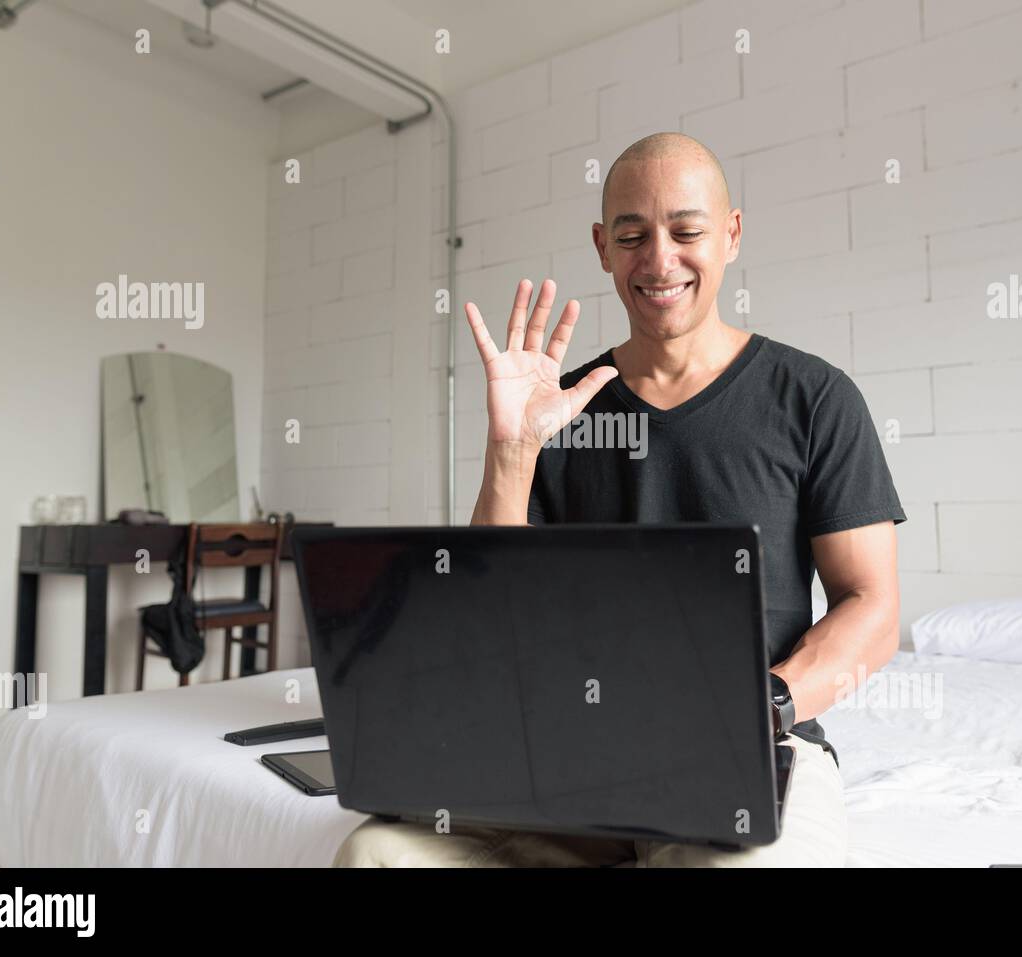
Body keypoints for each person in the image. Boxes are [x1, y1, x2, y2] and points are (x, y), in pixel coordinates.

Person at [334, 132, 906, 867]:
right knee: (378, 851)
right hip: (574, 751)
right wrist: (513, 446)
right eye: (633, 235)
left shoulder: (815, 397)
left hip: (748, 748)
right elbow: (484, 610)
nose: (659, 259)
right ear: (604, 247)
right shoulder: (562, 405)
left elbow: (873, 607)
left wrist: (764, 704)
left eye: (687, 231)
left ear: (731, 235)